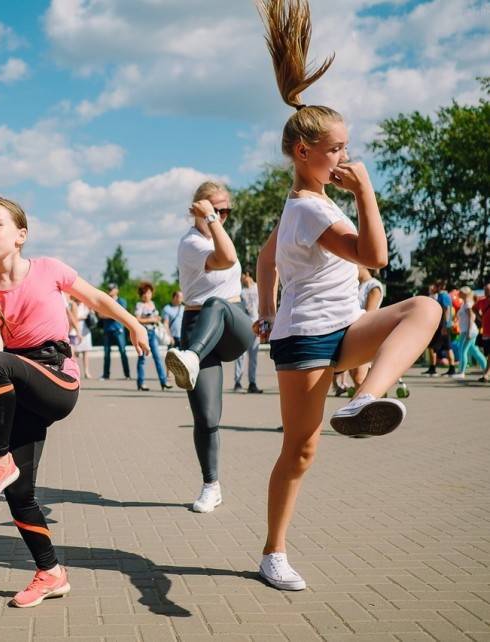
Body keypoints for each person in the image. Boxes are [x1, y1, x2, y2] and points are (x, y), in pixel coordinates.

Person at [253, 0, 439, 591]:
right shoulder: (309, 209)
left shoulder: (307, 207)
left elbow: (263, 257)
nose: (346, 158)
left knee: (426, 308)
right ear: (304, 153)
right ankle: (273, 553)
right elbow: (374, 257)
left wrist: (262, 307)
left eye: (347, 148)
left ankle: (364, 398)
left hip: (342, 329)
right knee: (300, 452)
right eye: (337, 149)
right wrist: (367, 191)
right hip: (306, 338)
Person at [0, 196, 148, 608]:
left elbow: (98, 300)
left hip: (57, 380)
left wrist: (135, 323)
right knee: (20, 493)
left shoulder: (49, 269)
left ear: (21, 235)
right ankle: (50, 573)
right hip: (19, 383)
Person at [163, 181, 254, 514]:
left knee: (216, 303)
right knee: (206, 416)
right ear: (198, 209)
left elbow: (229, 258)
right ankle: (211, 486)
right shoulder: (190, 243)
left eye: (227, 209)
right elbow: (223, 256)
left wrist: (213, 220)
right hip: (196, 327)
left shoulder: (219, 234)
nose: (223, 216)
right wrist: (207, 218)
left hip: (232, 323)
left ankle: (189, 358)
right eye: (217, 209)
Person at [134, 282, 171, 391]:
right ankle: (141, 383)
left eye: (149, 292)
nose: (147, 295)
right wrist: (151, 319)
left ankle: (163, 382)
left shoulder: (153, 304)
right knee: (142, 359)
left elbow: (156, 317)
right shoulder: (139, 305)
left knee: (157, 358)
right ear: (141, 294)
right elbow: (137, 319)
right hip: (143, 334)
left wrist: (157, 319)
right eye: (145, 293)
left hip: (153, 333)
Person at [234, 273, 263, 393]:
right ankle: (237, 382)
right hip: (244, 326)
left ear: (247, 275)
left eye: (242, 277)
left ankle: (252, 383)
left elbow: (262, 307)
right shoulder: (240, 292)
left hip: (256, 325)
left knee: (253, 356)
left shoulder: (258, 288)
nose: (241, 280)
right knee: (240, 355)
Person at [99, 284, 131, 380]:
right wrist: (113, 314)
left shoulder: (122, 301)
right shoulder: (105, 300)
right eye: (108, 288)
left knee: (122, 351)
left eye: (112, 288)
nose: (109, 290)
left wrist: (109, 314)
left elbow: (121, 314)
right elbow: (100, 314)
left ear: (117, 290)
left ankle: (127, 374)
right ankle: (106, 375)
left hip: (118, 330)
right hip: (107, 330)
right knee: (106, 353)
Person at [454, 286, 486, 379]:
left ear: (464, 293)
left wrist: (468, 332)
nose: (458, 294)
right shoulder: (466, 303)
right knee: (474, 351)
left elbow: (472, 318)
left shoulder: (468, 304)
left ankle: (461, 372)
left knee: (463, 351)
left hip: (468, 331)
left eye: (460, 292)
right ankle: (485, 370)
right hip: (468, 331)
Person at [67, 295, 94, 379]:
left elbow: (92, 314)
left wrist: (91, 312)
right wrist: (81, 317)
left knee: (86, 351)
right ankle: (75, 372)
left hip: (85, 329)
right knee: (73, 353)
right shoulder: (73, 304)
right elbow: (72, 318)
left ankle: (86, 371)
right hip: (74, 330)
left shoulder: (86, 305)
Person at [474, 283, 490, 382]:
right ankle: (486, 374)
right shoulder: (482, 301)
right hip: (486, 332)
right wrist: (480, 317)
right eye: (485, 290)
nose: (485, 292)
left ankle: (486, 374)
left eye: (487, 290)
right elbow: (474, 308)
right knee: (488, 354)